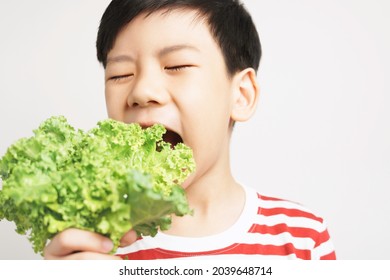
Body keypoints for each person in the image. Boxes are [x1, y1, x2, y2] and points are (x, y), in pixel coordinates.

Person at [44, 0, 336, 260]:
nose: (142, 91)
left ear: (241, 95)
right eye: (120, 74)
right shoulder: (91, 244)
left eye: (176, 66)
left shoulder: (301, 238)